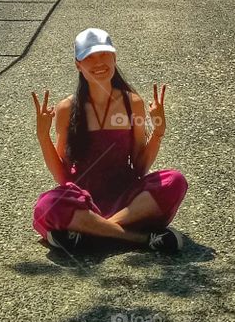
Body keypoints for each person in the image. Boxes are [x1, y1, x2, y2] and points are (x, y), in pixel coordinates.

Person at [31, 27, 188, 255]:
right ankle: (140, 238)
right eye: (89, 57)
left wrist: (158, 132)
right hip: (82, 197)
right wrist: (43, 137)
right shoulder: (66, 109)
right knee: (47, 205)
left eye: (104, 54)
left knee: (175, 180)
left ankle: (90, 231)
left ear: (114, 57)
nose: (99, 62)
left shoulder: (132, 103)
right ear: (78, 64)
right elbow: (63, 177)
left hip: (127, 198)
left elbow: (140, 167)